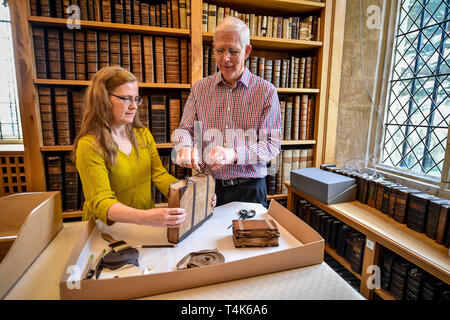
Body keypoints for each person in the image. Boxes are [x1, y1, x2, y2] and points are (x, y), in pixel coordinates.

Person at [172, 16, 282, 208]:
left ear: (247, 51)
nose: (225, 59)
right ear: (213, 48)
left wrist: (233, 154)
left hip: (250, 189)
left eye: (233, 51)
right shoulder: (199, 89)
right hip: (208, 187)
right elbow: (184, 130)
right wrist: (184, 146)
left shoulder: (266, 92)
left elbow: (271, 145)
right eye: (220, 50)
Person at [72, 66, 186, 227]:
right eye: (126, 98)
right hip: (107, 230)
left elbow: (159, 175)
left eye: (136, 99)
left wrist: (192, 193)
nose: (134, 106)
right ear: (103, 99)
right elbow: (101, 201)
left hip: (143, 225)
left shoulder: (143, 134)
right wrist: (146, 217)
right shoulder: (89, 145)